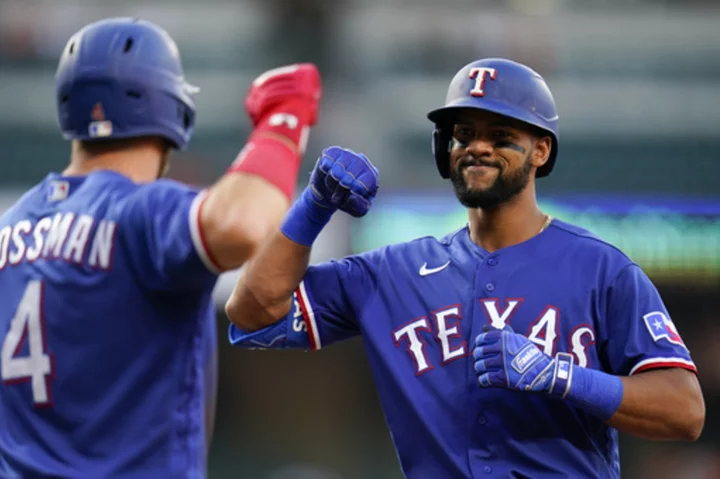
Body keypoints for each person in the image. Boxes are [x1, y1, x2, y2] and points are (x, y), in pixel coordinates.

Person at [224, 58, 705, 478]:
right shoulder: (393, 272)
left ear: (540, 150)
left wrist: (561, 376)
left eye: (500, 135)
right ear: (443, 148)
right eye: (463, 134)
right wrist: (312, 208)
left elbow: (684, 410)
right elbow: (252, 310)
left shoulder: (602, 270)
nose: (477, 147)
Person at [0, 17, 322, 478]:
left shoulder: (10, 227)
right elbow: (241, 223)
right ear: (173, 111)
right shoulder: (139, 211)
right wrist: (284, 119)